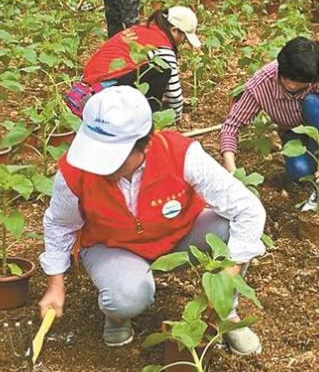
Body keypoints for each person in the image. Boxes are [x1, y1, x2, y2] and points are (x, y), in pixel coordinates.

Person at [38, 86, 266, 355]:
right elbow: (60, 224)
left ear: (145, 144)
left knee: (229, 228)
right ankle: (118, 314)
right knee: (127, 297)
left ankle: (225, 315)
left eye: (112, 159)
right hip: (112, 245)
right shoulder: (75, 171)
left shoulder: (180, 154)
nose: (99, 166)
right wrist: (55, 284)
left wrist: (225, 285)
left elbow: (248, 209)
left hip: (179, 234)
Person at [220, 36, 319, 185]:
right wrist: (232, 171)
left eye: (300, 83)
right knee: (299, 171)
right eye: (286, 79)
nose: (291, 86)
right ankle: (316, 162)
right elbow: (231, 126)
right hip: (296, 131)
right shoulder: (262, 83)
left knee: (311, 103)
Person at [70, 6, 200, 119]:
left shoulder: (143, 30)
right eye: (184, 37)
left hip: (90, 84)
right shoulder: (163, 45)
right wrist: (176, 116)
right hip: (101, 93)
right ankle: (145, 120)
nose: (183, 42)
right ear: (174, 30)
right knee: (162, 71)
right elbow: (174, 93)